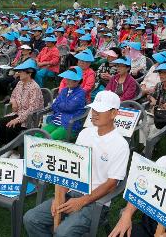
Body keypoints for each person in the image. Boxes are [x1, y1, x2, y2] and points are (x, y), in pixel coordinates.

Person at [24, 90, 130, 237]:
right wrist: (59, 195)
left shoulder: (120, 144)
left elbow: (112, 183)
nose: (95, 113)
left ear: (113, 114)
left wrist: (82, 201)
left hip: (96, 201)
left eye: (101, 110)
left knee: (63, 233)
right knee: (31, 219)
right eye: (94, 109)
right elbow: (70, 167)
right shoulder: (85, 134)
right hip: (72, 192)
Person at [0, 59, 44, 156]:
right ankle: (5, 146)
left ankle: (14, 151)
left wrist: (17, 120)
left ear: (29, 73)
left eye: (21, 71)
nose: (18, 73)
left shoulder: (34, 88)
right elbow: (13, 96)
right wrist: (13, 102)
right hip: (17, 113)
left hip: (31, 119)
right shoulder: (19, 83)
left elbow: (32, 109)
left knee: (11, 127)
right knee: (0, 122)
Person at [42, 66, 86, 140]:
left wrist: (60, 104)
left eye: (70, 79)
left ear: (77, 81)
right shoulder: (64, 90)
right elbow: (54, 105)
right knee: (38, 134)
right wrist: (61, 105)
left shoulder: (81, 93)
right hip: (55, 120)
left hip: (69, 124)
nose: (67, 81)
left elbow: (69, 107)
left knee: (50, 138)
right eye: (67, 79)